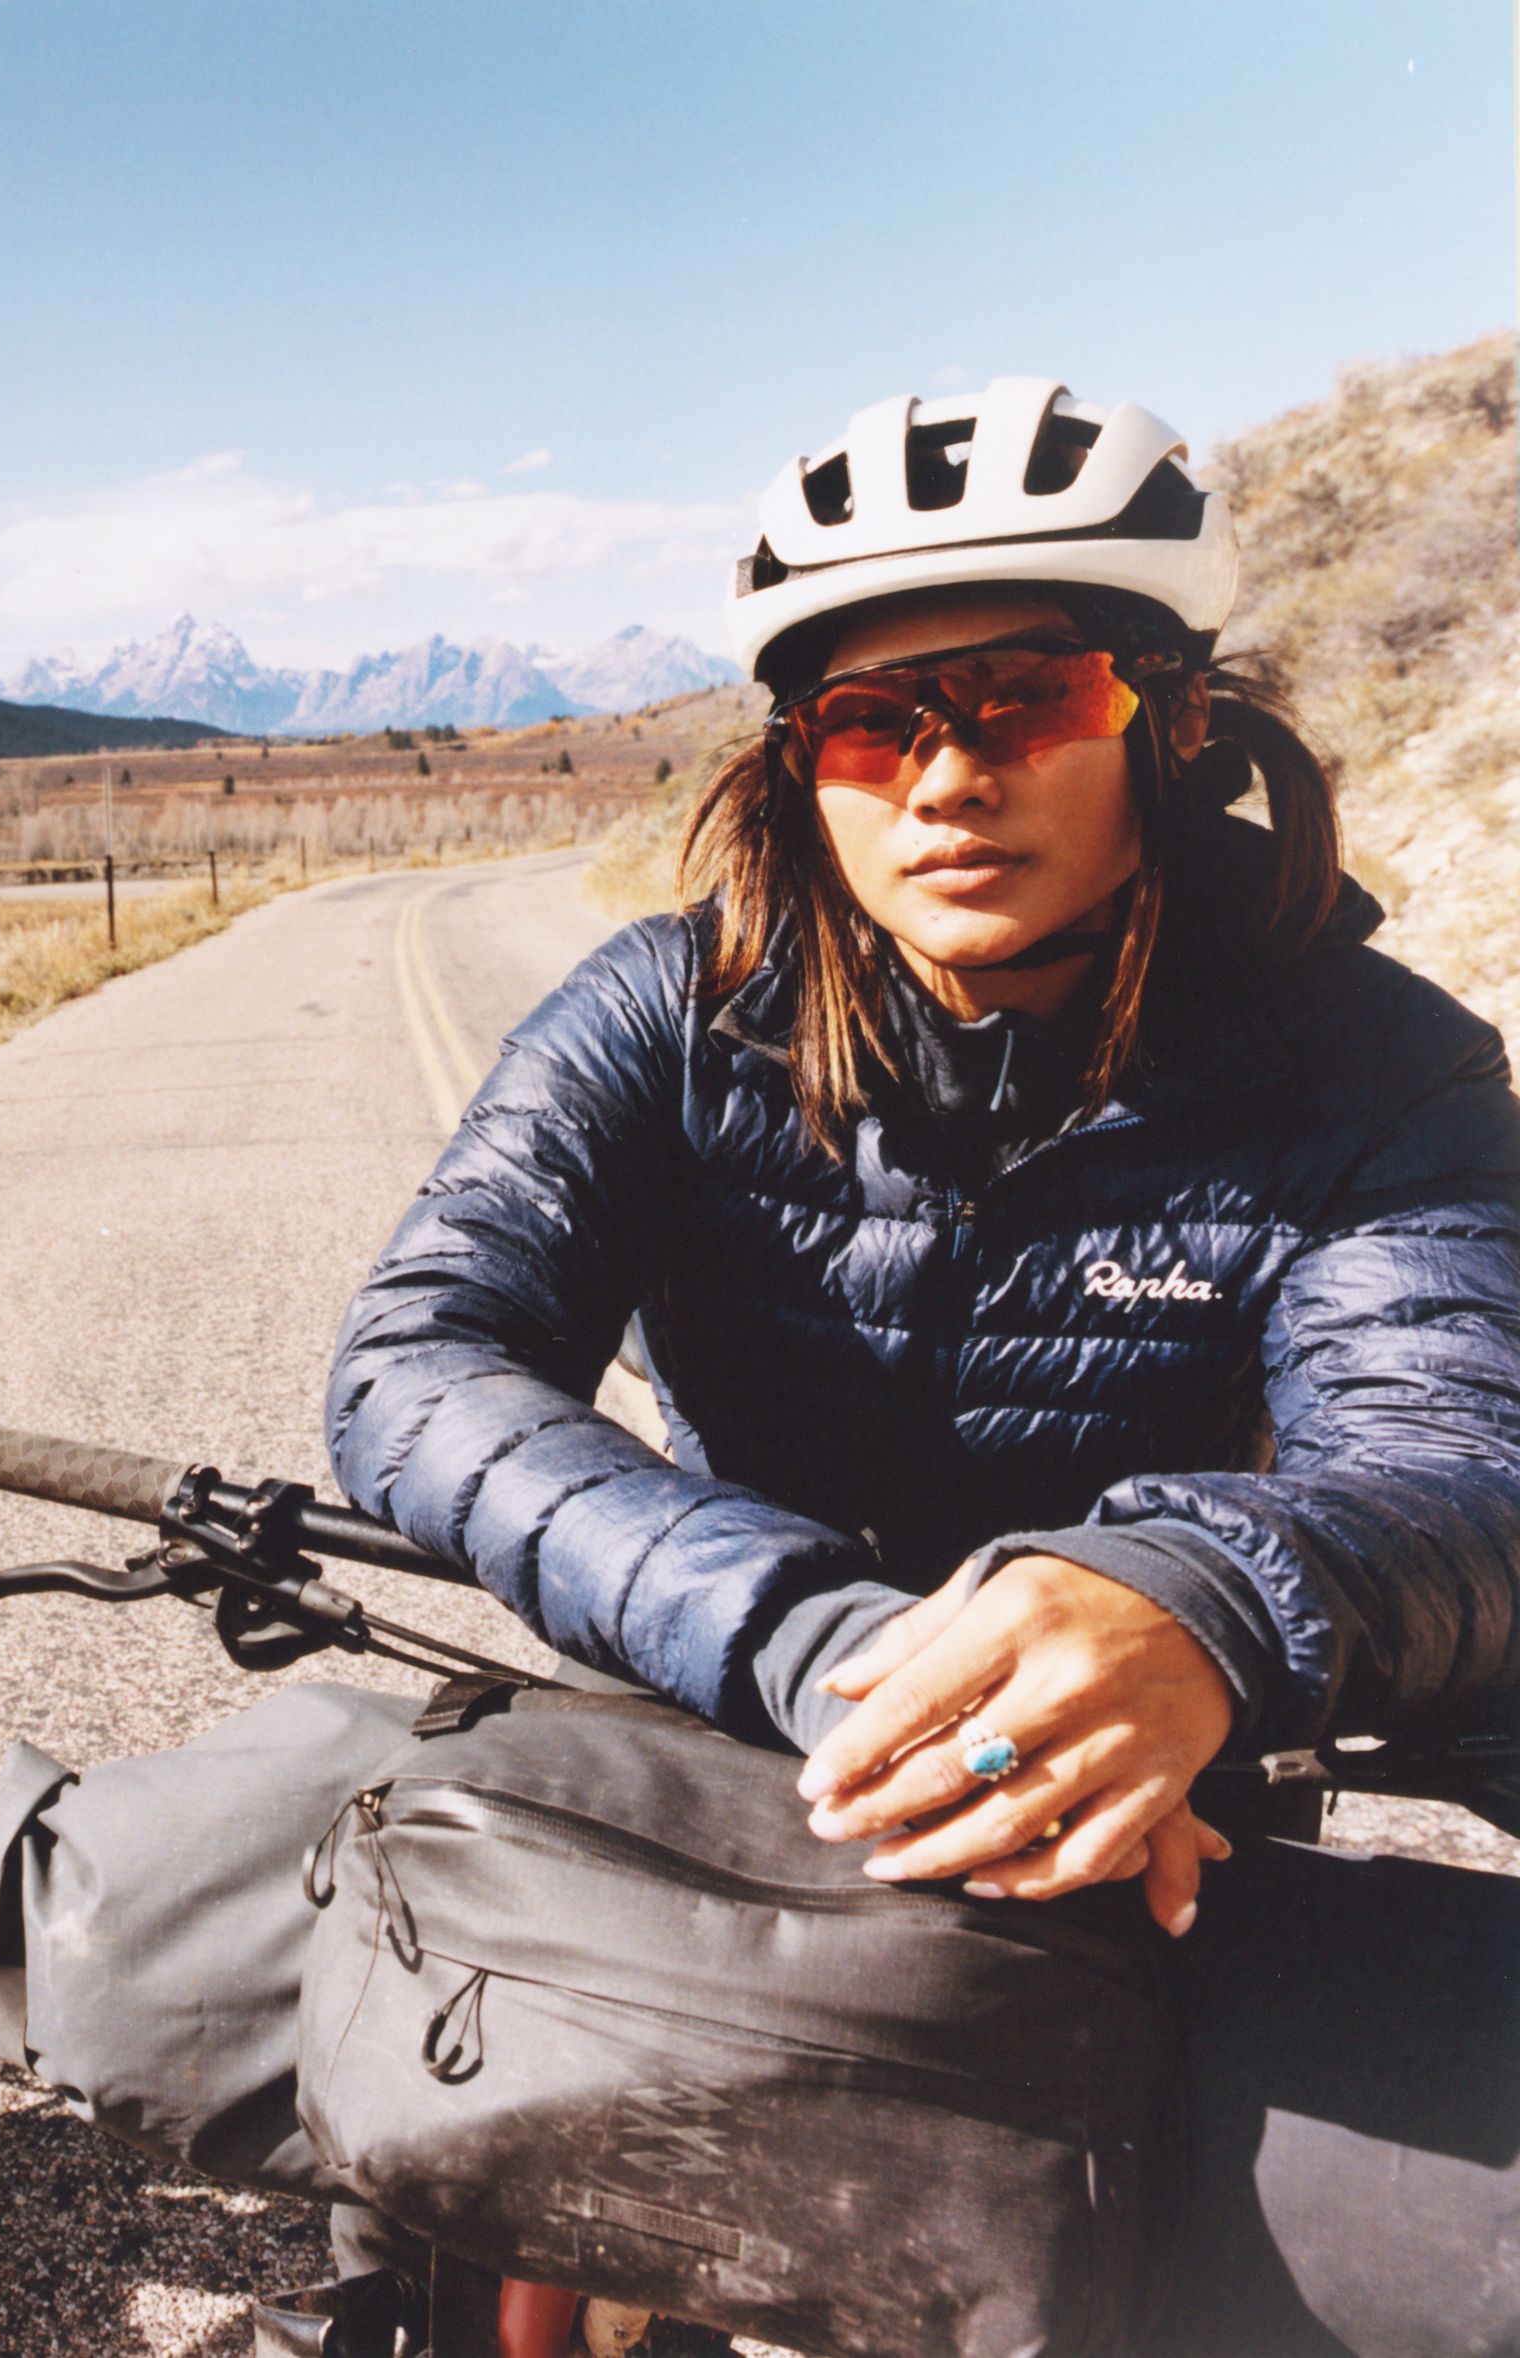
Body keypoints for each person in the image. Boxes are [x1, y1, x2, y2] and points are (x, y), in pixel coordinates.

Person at [321, 377, 1520, 2348]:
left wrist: (1193, 1597)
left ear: (1176, 718)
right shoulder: (668, 1015)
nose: (944, 781)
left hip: (1146, 1818)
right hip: (721, 1761)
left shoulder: (1370, 1070)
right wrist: (812, 1638)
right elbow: (423, 1356)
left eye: (1027, 698)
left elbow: (1458, 1443)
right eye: (874, 723)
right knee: (431, 2201)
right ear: (805, 764)